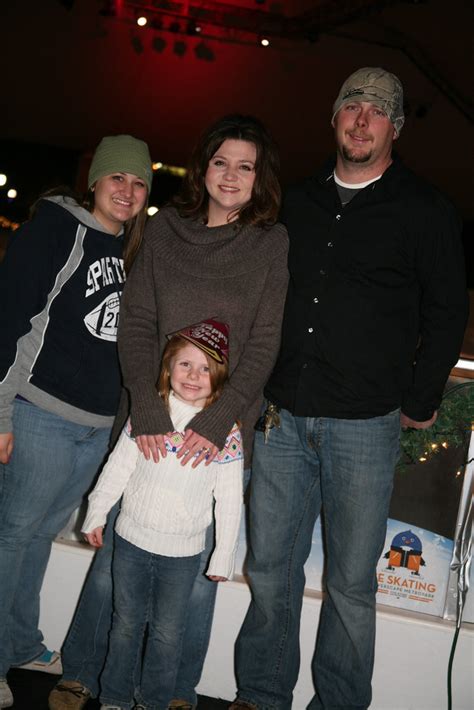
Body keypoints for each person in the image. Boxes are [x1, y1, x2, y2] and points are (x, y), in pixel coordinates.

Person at [230, 68, 469, 710]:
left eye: (378, 112)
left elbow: (447, 312)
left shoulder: (426, 211)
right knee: (271, 571)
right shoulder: (296, 202)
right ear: (335, 117)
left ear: (395, 128)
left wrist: (419, 402)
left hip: (365, 427)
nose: (362, 120)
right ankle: (260, 694)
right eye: (352, 107)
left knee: (351, 586)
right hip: (282, 420)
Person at [49, 114, 289, 710]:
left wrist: (217, 420)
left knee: (200, 579)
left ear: (260, 178)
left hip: (220, 437)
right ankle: (83, 669)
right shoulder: (164, 232)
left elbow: (263, 344)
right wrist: (150, 406)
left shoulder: (270, 242)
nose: (230, 176)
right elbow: (135, 323)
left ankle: (177, 691)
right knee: (113, 565)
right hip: (148, 427)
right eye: (220, 162)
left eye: (246, 165)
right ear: (202, 167)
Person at [0, 134, 152, 709]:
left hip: (95, 426)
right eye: (118, 178)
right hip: (41, 413)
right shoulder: (56, 230)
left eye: (139, 183)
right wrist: (1, 413)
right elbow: (11, 318)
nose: (128, 191)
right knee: (11, 537)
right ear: (95, 180)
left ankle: (18, 640)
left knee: (37, 536)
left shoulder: (130, 250)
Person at [82, 320, 243, 709]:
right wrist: (96, 513)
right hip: (132, 542)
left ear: (218, 378)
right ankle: (115, 698)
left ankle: (153, 702)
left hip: (183, 555)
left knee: (168, 635)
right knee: (124, 625)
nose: (194, 375)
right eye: (185, 364)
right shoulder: (148, 413)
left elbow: (231, 498)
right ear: (168, 367)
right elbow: (117, 467)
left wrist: (222, 555)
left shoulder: (226, 431)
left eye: (206, 368)